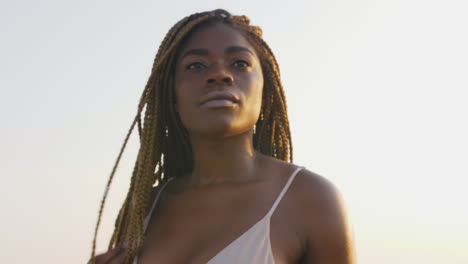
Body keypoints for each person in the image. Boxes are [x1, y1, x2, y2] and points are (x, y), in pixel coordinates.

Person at [88, 9, 355, 264]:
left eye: (240, 63)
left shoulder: (310, 199)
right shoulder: (145, 210)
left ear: (266, 88)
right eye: (196, 66)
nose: (219, 75)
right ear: (172, 96)